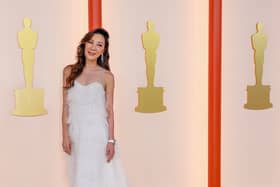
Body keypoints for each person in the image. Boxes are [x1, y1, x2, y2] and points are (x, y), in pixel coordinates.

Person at [62, 28, 129, 187]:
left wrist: (111, 140)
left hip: (99, 135)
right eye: (91, 42)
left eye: (99, 45)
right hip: (76, 134)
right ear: (84, 44)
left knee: (102, 177)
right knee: (80, 177)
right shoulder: (68, 71)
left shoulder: (107, 76)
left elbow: (110, 111)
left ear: (103, 51)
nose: (93, 47)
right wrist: (65, 135)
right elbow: (65, 106)